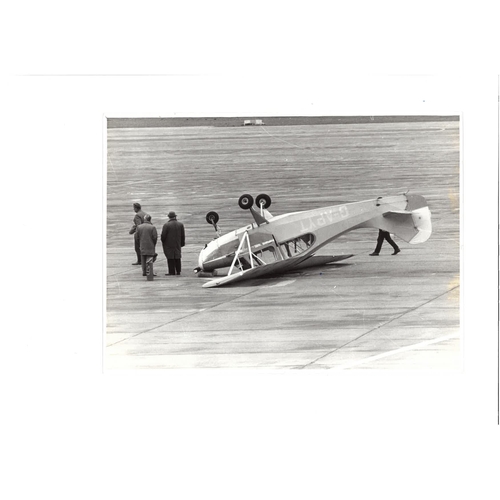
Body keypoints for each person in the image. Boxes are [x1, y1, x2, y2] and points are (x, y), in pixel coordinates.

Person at [161, 211, 185, 275]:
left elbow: (163, 235)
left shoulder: (166, 225)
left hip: (168, 244)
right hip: (177, 243)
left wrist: (163, 242)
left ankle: (171, 271)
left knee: (170, 257)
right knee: (177, 256)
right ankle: (178, 271)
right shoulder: (180, 224)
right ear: (175, 216)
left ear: (169, 217)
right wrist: (182, 243)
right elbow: (182, 235)